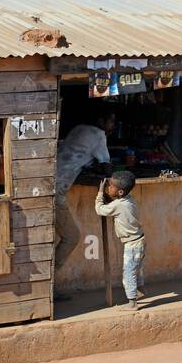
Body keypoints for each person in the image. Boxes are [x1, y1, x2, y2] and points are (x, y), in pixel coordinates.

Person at [54, 110, 117, 293]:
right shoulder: (99, 135)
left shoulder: (79, 129)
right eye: (111, 122)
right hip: (55, 189)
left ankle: (47, 285)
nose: (113, 126)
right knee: (71, 237)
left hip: (46, 180)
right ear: (101, 121)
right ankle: (48, 284)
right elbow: (106, 167)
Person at [94, 170, 144, 310]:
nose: (108, 188)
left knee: (128, 273)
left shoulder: (119, 205)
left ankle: (132, 303)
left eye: (110, 186)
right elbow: (116, 200)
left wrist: (99, 193)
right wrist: (110, 191)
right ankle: (140, 291)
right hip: (139, 240)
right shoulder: (129, 199)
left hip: (132, 245)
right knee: (136, 270)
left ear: (121, 192)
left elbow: (100, 210)